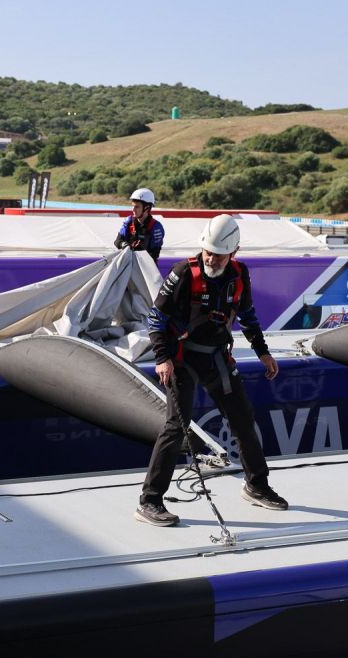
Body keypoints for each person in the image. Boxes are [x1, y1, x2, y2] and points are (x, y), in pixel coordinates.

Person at [136, 214, 287, 526]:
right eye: (207, 251)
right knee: (177, 426)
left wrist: (263, 352)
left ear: (234, 252)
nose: (211, 258)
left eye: (218, 254)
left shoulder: (240, 274)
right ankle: (149, 501)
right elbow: (156, 320)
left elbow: (247, 314)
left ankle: (257, 485)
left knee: (243, 418)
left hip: (217, 358)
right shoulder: (183, 274)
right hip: (181, 359)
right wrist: (162, 358)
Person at [113, 188, 164, 262]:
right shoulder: (128, 221)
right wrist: (124, 245)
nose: (133, 210)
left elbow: (154, 254)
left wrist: (138, 251)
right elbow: (117, 241)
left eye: (136, 207)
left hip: (146, 266)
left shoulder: (156, 227)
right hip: (127, 263)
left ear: (147, 208)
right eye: (132, 206)